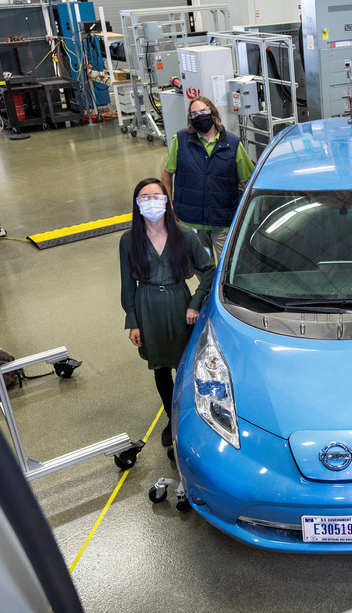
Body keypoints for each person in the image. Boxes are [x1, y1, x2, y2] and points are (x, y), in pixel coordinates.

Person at [120, 178, 215, 447]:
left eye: (157, 196)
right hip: (146, 305)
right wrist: (133, 322)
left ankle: (193, 416)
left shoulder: (184, 235)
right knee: (160, 368)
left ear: (166, 201)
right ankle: (172, 418)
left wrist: (195, 302)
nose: (152, 202)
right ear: (137, 204)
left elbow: (209, 269)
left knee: (185, 365)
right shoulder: (128, 241)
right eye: (145, 197)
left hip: (178, 301)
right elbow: (127, 284)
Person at [160, 96, 255, 261]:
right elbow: (167, 173)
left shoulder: (232, 144)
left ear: (213, 113)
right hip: (191, 221)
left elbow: (247, 181)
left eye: (202, 111)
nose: (198, 116)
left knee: (227, 266)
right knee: (200, 268)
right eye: (194, 114)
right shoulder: (181, 141)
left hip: (223, 221)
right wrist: (169, 205)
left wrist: (249, 215)